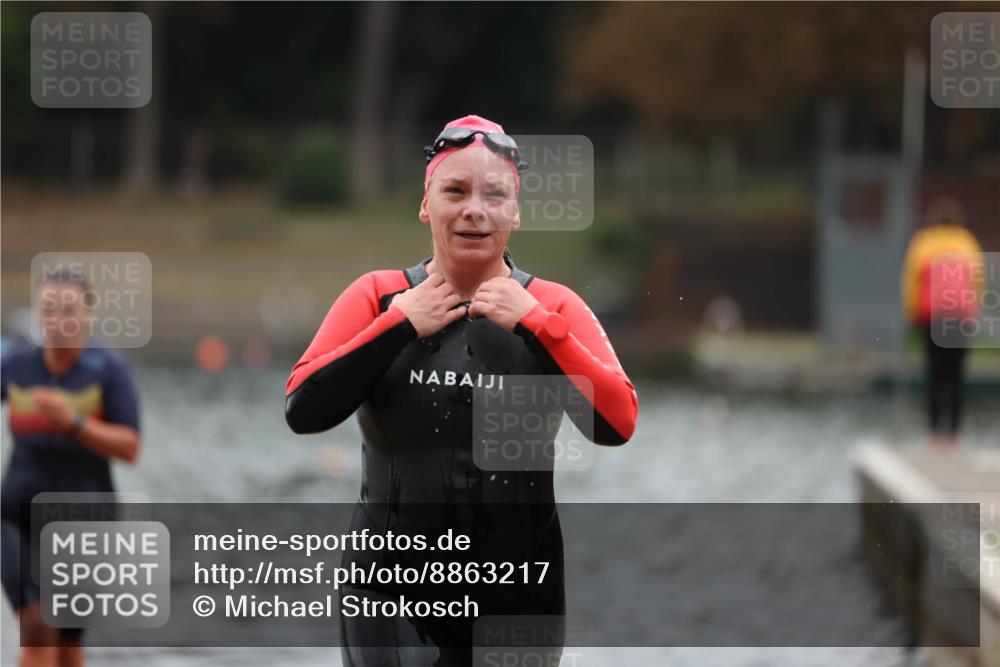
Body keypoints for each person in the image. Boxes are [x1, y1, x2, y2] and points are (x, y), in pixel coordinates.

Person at [284, 115, 638, 665]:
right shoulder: (377, 297)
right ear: (426, 205)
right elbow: (302, 408)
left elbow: (616, 424)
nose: (474, 208)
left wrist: (541, 328)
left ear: (514, 213)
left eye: (494, 195)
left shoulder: (555, 306)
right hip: (389, 592)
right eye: (455, 191)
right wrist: (397, 325)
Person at [1, 269, 142, 667]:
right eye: (47, 308)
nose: (57, 319)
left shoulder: (107, 370)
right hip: (15, 517)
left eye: (68, 309)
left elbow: (131, 447)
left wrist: (74, 422)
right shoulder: (18, 364)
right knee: (36, 627)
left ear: (87, 316)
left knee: (65, 646)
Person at [901, 196, 984, 447]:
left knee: (934, 372)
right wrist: (974, 312)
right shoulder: (967, 243)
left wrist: (911, 313)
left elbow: (910, 282)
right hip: (959, 315)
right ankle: (955, 435)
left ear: (933, 221)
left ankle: (935, 434)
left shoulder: (923, 243)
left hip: (932, 315)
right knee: (956, 374)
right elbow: (978, 282)